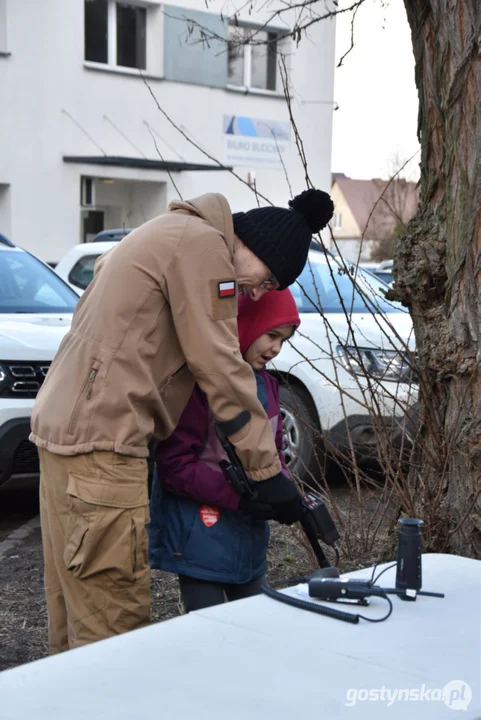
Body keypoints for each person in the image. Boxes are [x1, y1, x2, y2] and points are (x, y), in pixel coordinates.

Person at [30, 188, 334, 652]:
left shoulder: (165, 232)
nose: (255, 293)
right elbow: (220, 364)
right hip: (103, 444)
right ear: (252, 245)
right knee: (114, 627)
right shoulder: (204, 247)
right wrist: (267, 473)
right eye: (267, 278)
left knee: (74, 614)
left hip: (62, 431)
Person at [149, 289, 301, 612]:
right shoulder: (200, 389)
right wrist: (241, 497)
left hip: (249, 545)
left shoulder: (269, 388)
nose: (275, 347)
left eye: (283, 340)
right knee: (211, 633)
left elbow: (274, 452)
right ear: (243, 323)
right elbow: (174, 467)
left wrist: (281, 491)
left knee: (255, 628)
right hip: (199, 544)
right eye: (271, 334)